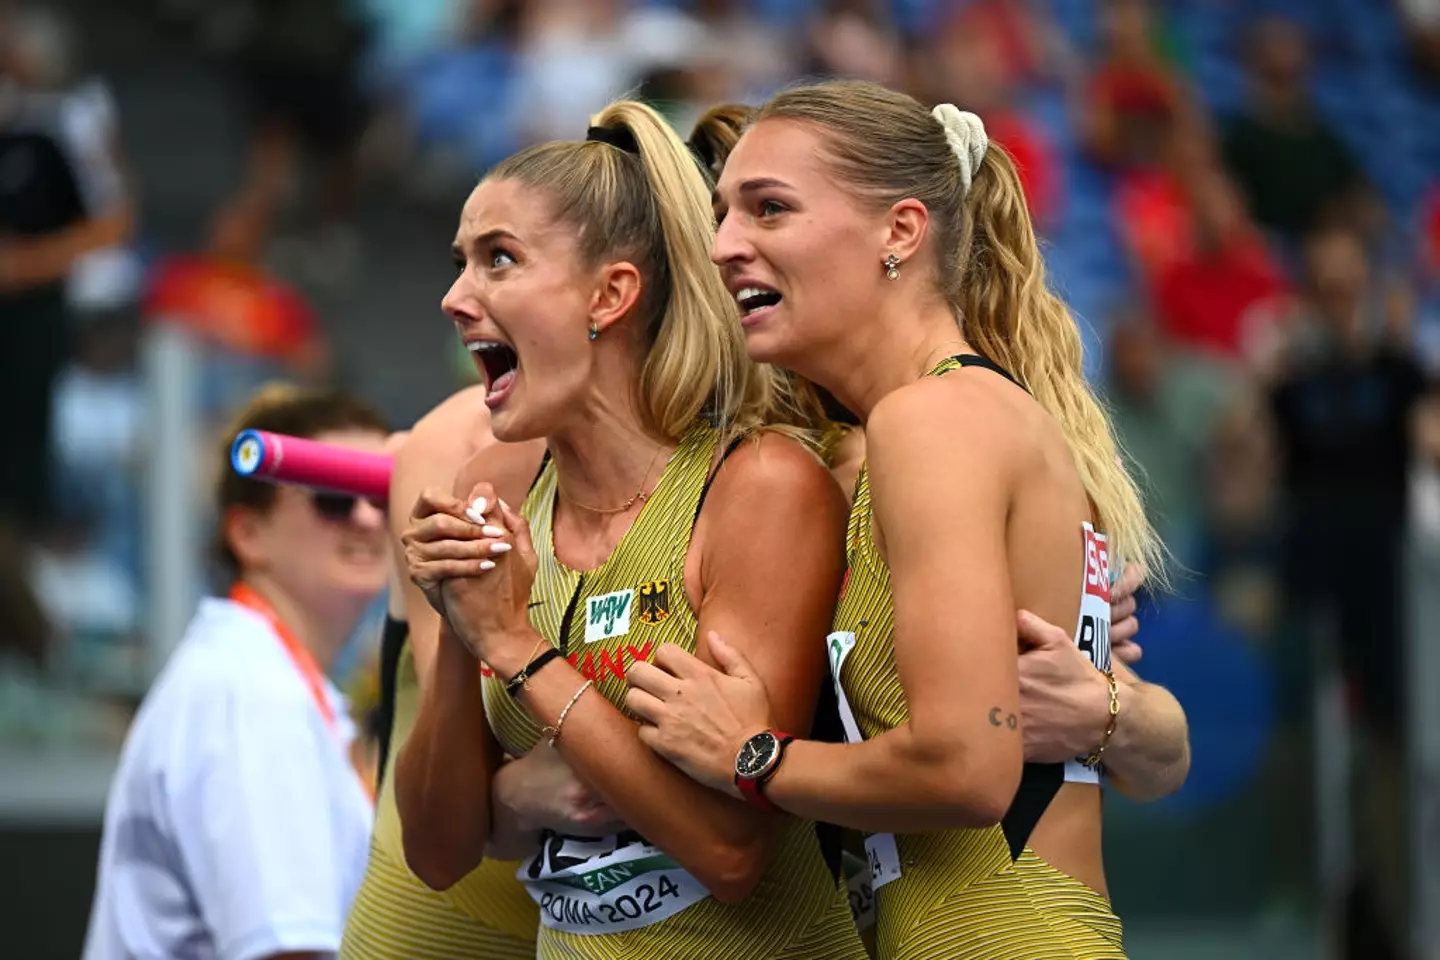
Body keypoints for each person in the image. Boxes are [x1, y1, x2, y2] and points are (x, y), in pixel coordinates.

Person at [624, 79, 1188, 959]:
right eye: (722, 216)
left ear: (901, 231)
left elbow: (965, 768)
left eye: (769, 210)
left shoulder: (931, 422)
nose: (726, 247)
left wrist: (750, 753)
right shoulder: (931, 423)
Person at [397, 98, 871, 959]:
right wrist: (463, 629)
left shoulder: (760, 486)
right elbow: (437, 853)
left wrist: (518, 648)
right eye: (461, 262)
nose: (455, 297)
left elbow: (730, 852)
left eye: (498, 260)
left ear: (610, 295)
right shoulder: (495, 483)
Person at [82, 385, 387, 960]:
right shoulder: (252, 692)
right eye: (333, 497)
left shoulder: (257, 671)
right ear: (246, 532)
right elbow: (287, 951)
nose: (370, 518)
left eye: (382, 492)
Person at [340, 385, 543, 960]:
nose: (459, 297)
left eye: (503, 283)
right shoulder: (458, 448)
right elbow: (464, 767)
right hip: (446, 921)